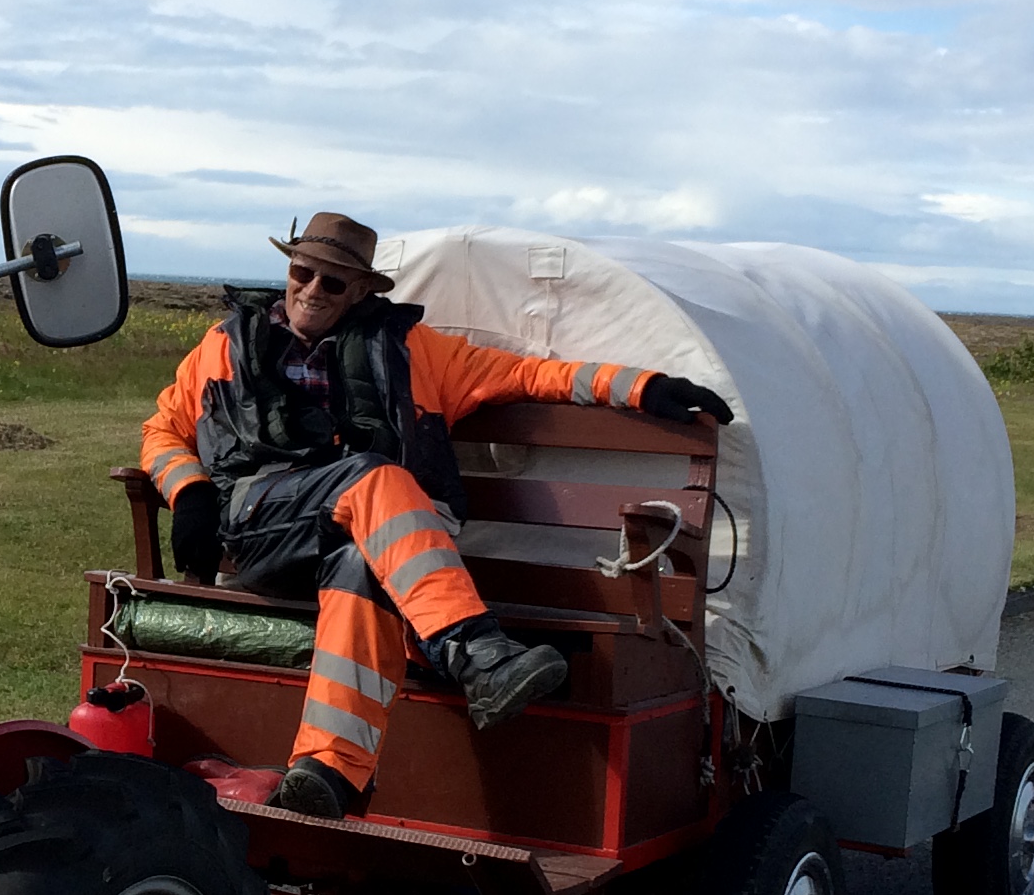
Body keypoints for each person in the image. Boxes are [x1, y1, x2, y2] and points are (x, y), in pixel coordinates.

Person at [137, 210, 734, 821]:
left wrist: (641, 387)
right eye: (302, 272)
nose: (312, 290)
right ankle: (474, 652)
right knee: (375, 476)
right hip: (265, 524)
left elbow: (530, 374)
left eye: (334, 282)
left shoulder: (414, 351)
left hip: (361, 541)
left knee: (361, 565)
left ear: (363, 292)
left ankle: (329, 773)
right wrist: (189, 492)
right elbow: (163, 431)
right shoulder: (225, 346)